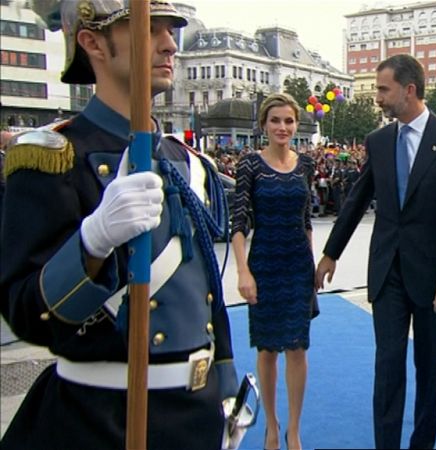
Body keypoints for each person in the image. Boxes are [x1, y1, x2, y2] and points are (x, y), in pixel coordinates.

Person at [0, 1, 238, 448]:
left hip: (195, 416)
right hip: (101, 418)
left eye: (171, 31)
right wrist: (92, 242)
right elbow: (26, 312)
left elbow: (207, 292)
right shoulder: (54, 157)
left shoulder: (188, 163)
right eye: (149, 29)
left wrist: (224, 390)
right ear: (92, 42)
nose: (170, 44)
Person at [315, 54, 436, 449]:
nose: (378, 98)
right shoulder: (379, 141)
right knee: (387, 366)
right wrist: (330, 253)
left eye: (383, 89)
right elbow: (356, 200)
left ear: (409, 90)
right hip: (387, 272)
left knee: (429, 370)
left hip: (435, 277)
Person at [231, 93, 316, 450]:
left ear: (296, 125)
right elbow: (238, 222)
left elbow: (307, 219)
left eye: (288, 121)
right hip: (264, 264)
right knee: (267, 349)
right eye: (276, 120)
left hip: (298, 264)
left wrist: (313, 269)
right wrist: (242, 272)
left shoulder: (306, 165)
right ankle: (271, 424)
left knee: (297, 347)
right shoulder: (250, 165)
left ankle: (293, 429)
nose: (282, 127)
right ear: (264, 125)